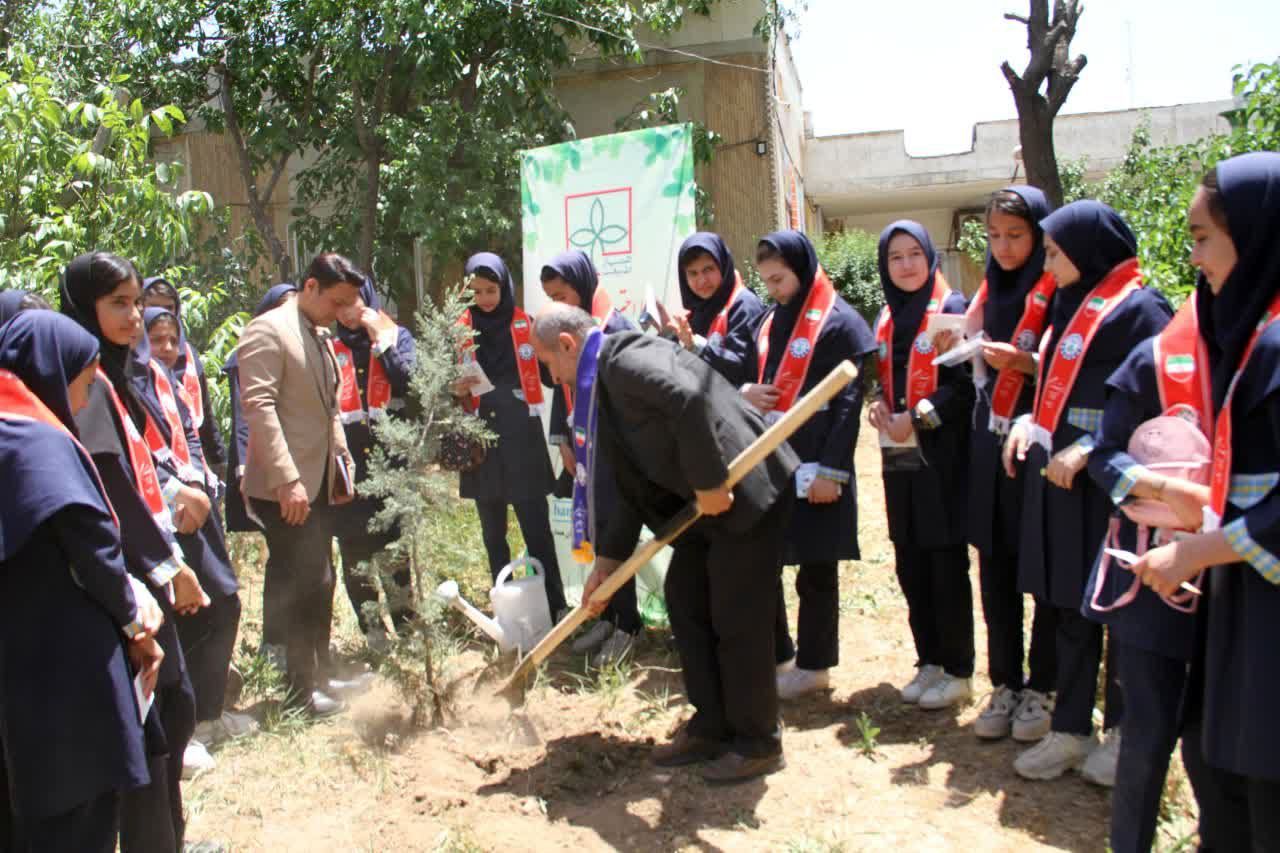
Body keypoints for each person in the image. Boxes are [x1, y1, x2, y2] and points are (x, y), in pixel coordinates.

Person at [532, 302, 800, 783]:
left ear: (568, 345)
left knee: (736, 617)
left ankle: (759, 741)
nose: (553, 379)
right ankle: (712, 726)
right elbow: (626, 483)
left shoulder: (626, 359)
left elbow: (689, 399)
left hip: (745, 489)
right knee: (686, 601)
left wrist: (709, 481)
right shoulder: (602, 387)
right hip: (702, 510)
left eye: (549, 364)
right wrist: (608, 564)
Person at [1130, 152, 1280, 850]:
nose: (1194, 258)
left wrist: (1201, 546)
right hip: (1247, 600)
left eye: (1201, 238)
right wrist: (1202, 510)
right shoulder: (1254, 334)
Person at [1004, 201, 1173, 782]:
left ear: (1087, 251)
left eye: (1052, 252)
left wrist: (1095, 443)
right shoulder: (1068, 306)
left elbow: (1155, 398)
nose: (1046, 264)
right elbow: (1055, 382)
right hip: (1059, 483)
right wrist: (1033, 423)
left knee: (1120, 607)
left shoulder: (1143, 310)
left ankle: (1126, 734)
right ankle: (1072, 727)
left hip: (1110, 485)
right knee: (1069, 606)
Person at [59, 251, 208, 851]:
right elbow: (113, 486)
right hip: (124, 579)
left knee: (171, 712)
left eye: (137, 301)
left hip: (145, 563)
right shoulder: (85, 381)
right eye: (117, 303)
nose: (134, 315)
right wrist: (168, 567)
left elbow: (142, 461)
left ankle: (168, 834)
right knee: (158, 721)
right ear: (83, 307)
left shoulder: (115, 370)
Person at [0, 310, 163, 853]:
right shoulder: (38, 447)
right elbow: (94, 553)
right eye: (87, 380)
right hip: (64, 678)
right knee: (79, 821)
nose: (88, 396)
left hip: (19, 673)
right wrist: (135, 621)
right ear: (49, 370)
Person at [1082, 281, 1205, 843]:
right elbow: (1105, 453)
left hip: (1245, 584)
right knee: (1148, 729)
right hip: (1155, 573)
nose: (1196, 256)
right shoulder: (1157, 359)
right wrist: (1156, 485)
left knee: (1214, 745)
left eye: (1208, 240)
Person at [739, 230, 875, 700]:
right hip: (773, 459)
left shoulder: (839, 323)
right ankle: (780, 655)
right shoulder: (769, 322)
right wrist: (746, 393)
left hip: (817, 462)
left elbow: (848, 403)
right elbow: (750, 377)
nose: (774, 290)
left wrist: (832, 472)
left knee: (816, 567)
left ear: (803, 268)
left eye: (780, 279)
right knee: (765, 559)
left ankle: (815, 665)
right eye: (767, 282)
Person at [952, 187, 1060, 741]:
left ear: (1040, 234)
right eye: (994, 236)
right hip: (987, 441)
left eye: (1016, 235)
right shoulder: (991, 287)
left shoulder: (1058, 288)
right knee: (992, 561)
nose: (1005, 246)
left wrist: (1025, 362)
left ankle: (1042, 687)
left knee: (1034, 564)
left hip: (1035, 442)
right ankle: (1005, 682)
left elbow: (1072, 364)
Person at [238, 252, 359, 716]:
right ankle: (299, 691)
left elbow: (328, 408)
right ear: (311, 287)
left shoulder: (317, 333)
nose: (343, 312)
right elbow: (260, 409)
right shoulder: (269, 331)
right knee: (307, 581)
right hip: (285, 488)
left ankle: (315, 676)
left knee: (318, 580)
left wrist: (341, 462)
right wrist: (288, 481)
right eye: (337, 301)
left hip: (319, 481)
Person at [141, 307, 256, 772]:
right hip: (157, 514)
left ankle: (206, 714)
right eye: (157, 339)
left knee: (222, 602)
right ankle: (181, 729)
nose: (167, 348)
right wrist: (172, 491)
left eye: (173, 339)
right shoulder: (124, 383)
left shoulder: (169, 380)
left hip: (196, 502)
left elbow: (192, 435)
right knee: (183, 615)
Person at [868, 221, 976, 710]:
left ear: (930, 257)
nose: (906, 265)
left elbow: (964, 387)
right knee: (909, 558)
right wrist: (878, 406)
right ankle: (928, 659)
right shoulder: (887, 318)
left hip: (943, 457)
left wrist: (918, 415)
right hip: (899, 458)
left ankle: (958, 670)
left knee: (944, 560)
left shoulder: (950, 309)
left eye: (915, 254)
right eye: (895, 257)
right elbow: (883, 380)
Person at [540, 249, 642, 664]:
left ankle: (629, 625)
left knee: (616, 535)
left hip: (615, 453)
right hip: (584, 452)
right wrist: (563, 438)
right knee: (598, 533)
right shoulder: (570, 333)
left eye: (563, 295)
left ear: (582, 287)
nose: (558, 305)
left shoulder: (615, 328)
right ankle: (608, 615)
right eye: (550, 297)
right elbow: (560, 385)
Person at [454, 253, 565, 621]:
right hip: (481, 445)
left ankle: (555, 605)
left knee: (536, 527)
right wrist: (453, 389)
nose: (485, 298)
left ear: (505, 287)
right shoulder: (458, 331)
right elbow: (438, 388)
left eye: (492, 290)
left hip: (523, 442)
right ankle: (507, 610)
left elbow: (553, 376)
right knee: (492, 533)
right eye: (477, 292)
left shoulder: (526, 325)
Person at [332, 274, 417, 650]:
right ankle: (373, 631)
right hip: (347, 462)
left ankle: (406, 622)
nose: (346, 312)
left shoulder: (397, 336)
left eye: (354, 302)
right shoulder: (326, 344)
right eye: (338, 303)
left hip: (390, 459)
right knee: (354, 549)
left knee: (394, 545)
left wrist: (380, 341)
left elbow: (411, 385)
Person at [222, 283, 296, 662]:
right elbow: (246, 419)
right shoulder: (249, 354)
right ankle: (275, 642)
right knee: (283, 558)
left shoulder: (302, 348)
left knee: (306, 559)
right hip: (267, 472)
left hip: (300, 471)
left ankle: (303, 642)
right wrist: (243, 472)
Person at [142, 277, 226, 484]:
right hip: (154, 471)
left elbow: (202, 416)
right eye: (153, 307)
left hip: (193, 463)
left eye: (170, 308)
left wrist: (218, 461)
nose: (164, 314)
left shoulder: (188, 356)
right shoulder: (131, 369)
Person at [660, 232, 766, 386]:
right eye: (693, 273)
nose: (702, 280)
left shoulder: (744, 305)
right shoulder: (696, 311)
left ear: (723, 266)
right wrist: (666, 335)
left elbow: (740, 368)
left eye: (708, 269)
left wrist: (695, 345)